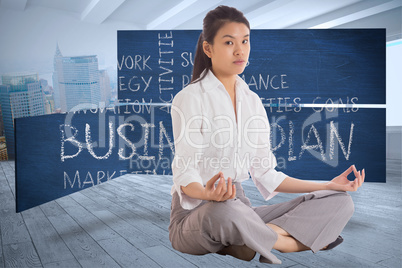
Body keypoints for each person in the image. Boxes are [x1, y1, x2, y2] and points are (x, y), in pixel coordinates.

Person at [168, 5, 364, 265]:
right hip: (198, 212)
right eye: (229, 42)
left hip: (240, 209)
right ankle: (284, 242)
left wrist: (328, 185)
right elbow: (185, 172)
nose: (240, 51)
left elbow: (267, 175)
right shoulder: (190, 98)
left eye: (245, 41)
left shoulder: (253, 102)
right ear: (208, 48)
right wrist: (209, 195)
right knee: (224, 212)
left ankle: (252, 240)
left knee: (341, 202)